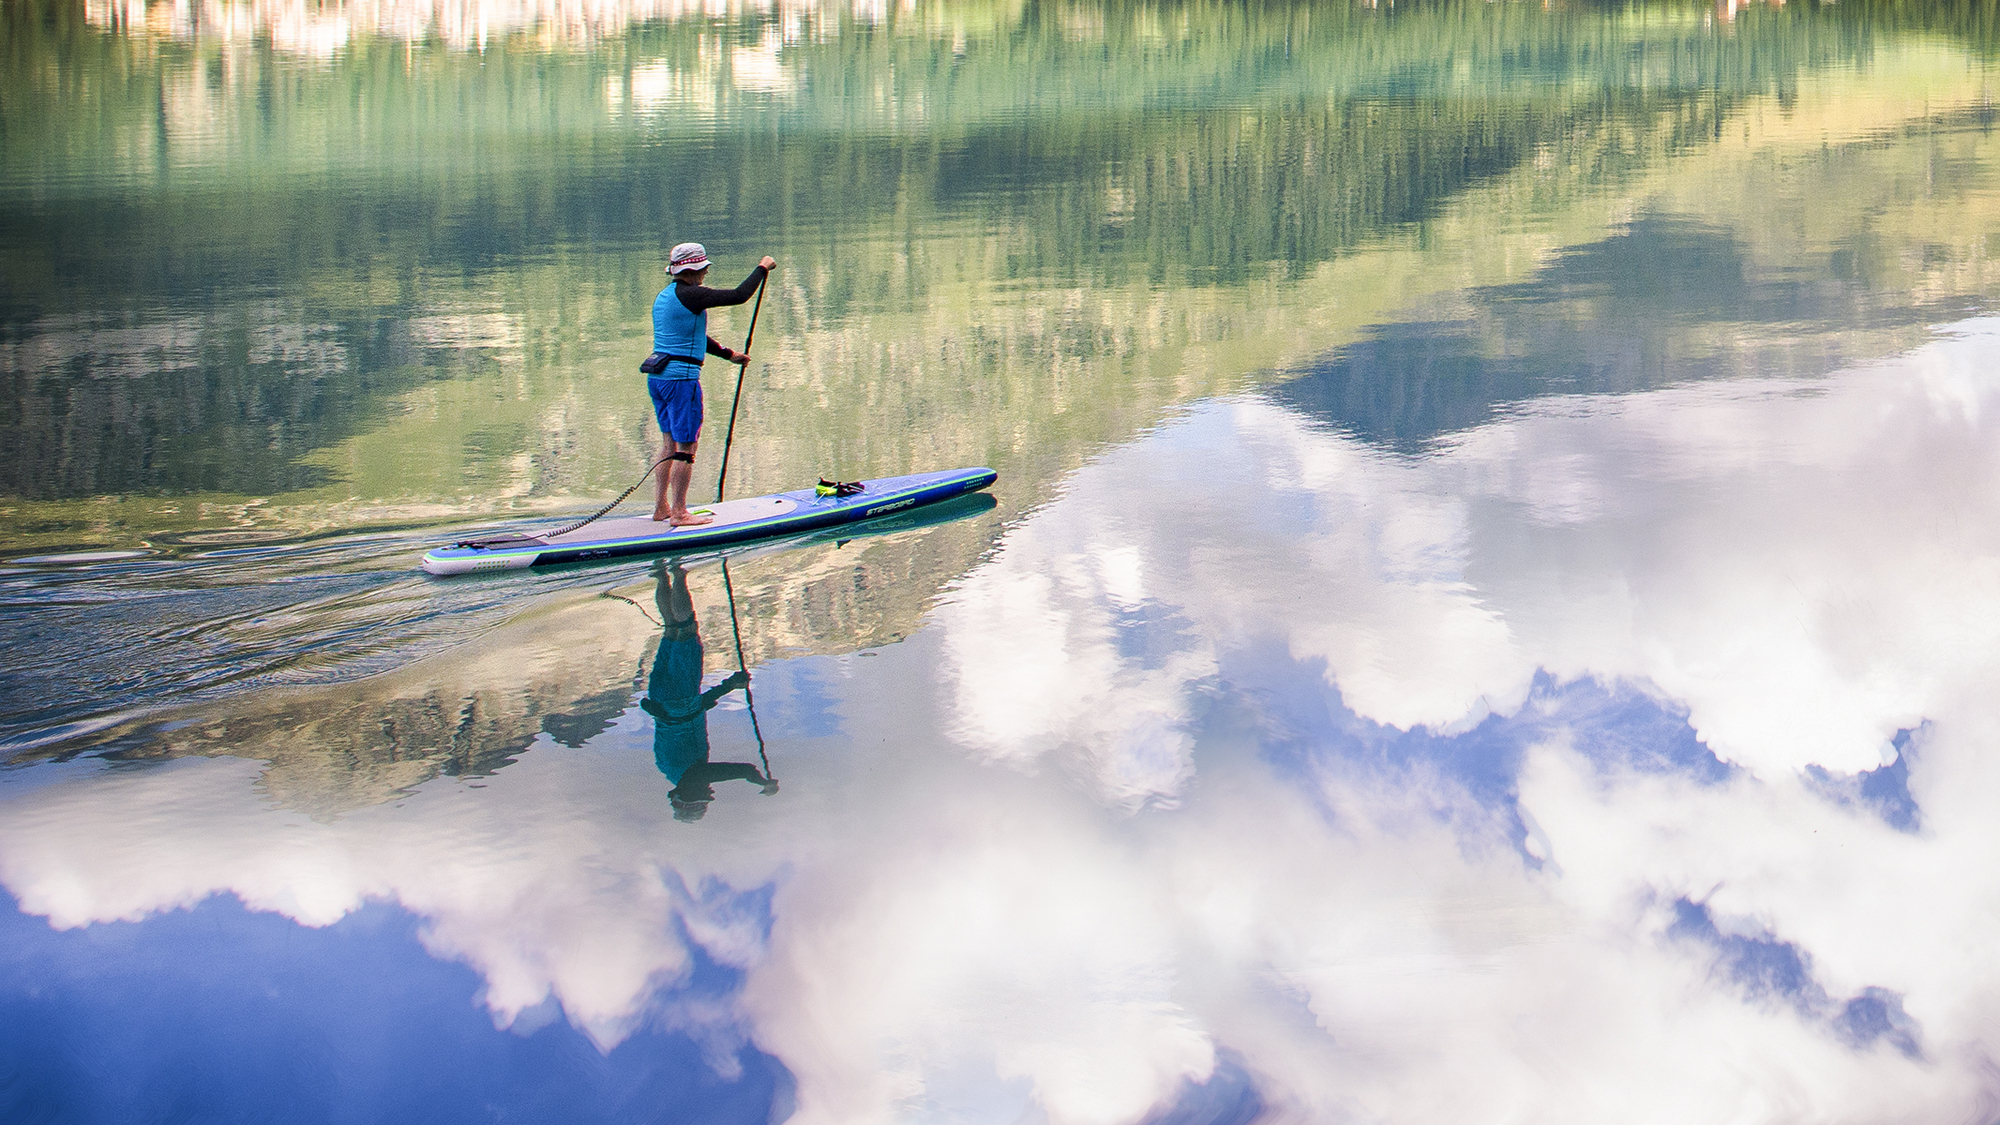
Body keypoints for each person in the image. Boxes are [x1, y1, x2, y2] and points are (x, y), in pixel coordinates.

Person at [648, 242, 777, 525]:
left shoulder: (666, 296)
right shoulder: (692, 295)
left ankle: (661, 508)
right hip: (681, 381)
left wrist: (729, 355)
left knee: (669, 444)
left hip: (659, 379)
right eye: (703, 270)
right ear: (693, 271)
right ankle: (680, 513)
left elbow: (693, 337)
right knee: (686, 448)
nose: (705, 274)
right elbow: (740, 295)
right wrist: (762, 268)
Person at [639, 561, 777, 822]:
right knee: (671, 629)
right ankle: (659, 573)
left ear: (685, 793)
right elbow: (688, 714)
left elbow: (744, 770)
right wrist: (727, 686)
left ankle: (678, 572)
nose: (709, 790)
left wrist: (760, 781)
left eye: (703, 794)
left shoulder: (691, 776)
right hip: (661, 697)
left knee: (687, 629)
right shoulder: (669, 770)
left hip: (681, 696)